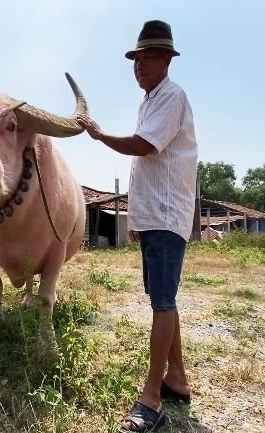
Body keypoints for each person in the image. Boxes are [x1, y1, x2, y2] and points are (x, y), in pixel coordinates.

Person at [77, 19, 198, 433]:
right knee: (162, 298)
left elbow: (142, 146)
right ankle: (177, 379)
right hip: (154, 217)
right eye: (136, 59)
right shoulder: (150, 101)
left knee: (162, 303)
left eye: (147, 58)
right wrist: (138, 220)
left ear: (167, 59)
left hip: (167, 216)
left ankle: (150, 398)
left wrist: (98, 134)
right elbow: (147, 166)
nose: (139, 65)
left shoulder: (171, 97)